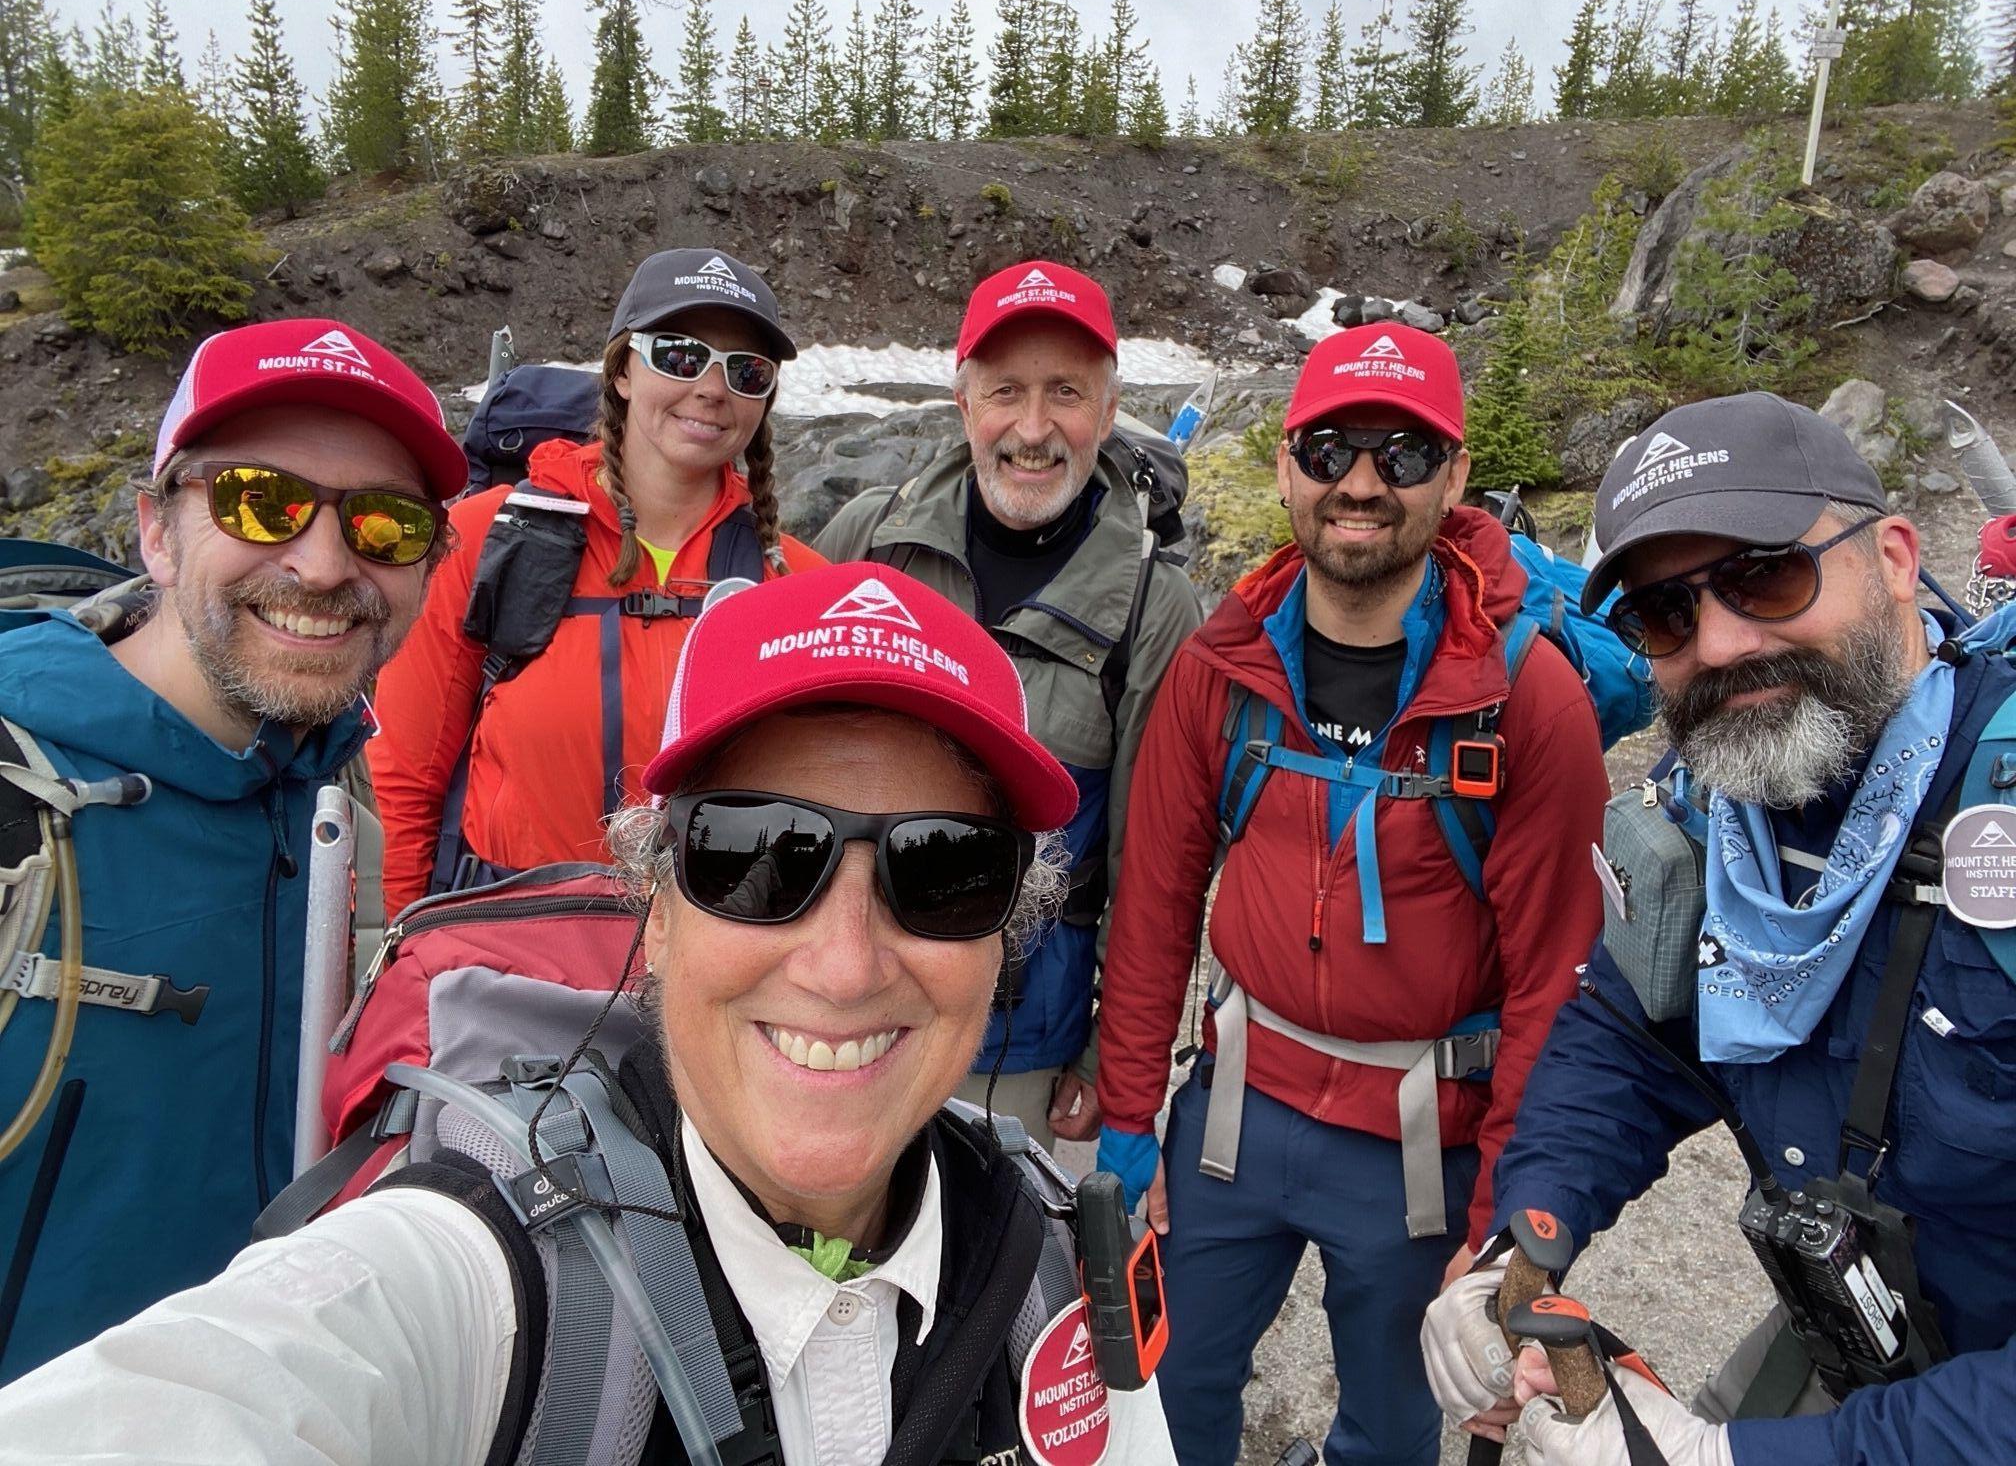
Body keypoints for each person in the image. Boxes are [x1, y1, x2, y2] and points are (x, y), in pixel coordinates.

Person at [0, 563, 1179, 1465]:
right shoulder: (486, 1284)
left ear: (1004, 934)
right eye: (759, 855)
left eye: (944, 869)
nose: (844, 964)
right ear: (655, 915)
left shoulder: (1057, 1274)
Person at [1421, 392, 2016, 1466]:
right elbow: (1632, 1037)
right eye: (1665, 614)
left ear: (1891, 556)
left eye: (1765, 576)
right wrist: (1518, 1248)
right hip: (1872, 1339)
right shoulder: (1718, 825)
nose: (1725, 643)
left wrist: (1733, 1461)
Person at [1096, 323, 1610, 1464]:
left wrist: (1498, 1237)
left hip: (1423, 1146)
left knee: (1389, 1431)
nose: (1362, 483)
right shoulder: (1220, 667)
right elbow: (1154, 915)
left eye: (1404, 451)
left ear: (1456, 475)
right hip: (1233, 1118)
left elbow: (1552, 990)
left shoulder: (1526, 702)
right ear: (1287, 464)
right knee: (1164, 1399)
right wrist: (1132, 1125)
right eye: (1331, 448)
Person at [0, 318, 463, 1382]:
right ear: (158, 532)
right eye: (262, 500)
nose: (322, 564)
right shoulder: (13, 800)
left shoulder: (343, 808)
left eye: (387, 526)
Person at [816, 260, 1202, 1151]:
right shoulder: (866, 546)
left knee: (989, 1273)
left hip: (1016, 1046)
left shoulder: (1154, 609)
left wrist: (1115, 1058)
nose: (1033, 429)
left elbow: (1154, 870)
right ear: (964, 405)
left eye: (1065, 393)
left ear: (1107, 415)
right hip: (842, 997)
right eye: (1006, 392)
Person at [370, 247, 824, 912]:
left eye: (747, 371)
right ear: (622, 373)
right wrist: (406, 948)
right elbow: (408, 775)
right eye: (678, 354)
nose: (712, 387)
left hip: (710, 959)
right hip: (508, 949)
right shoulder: (485, 539)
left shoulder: (799, 585)